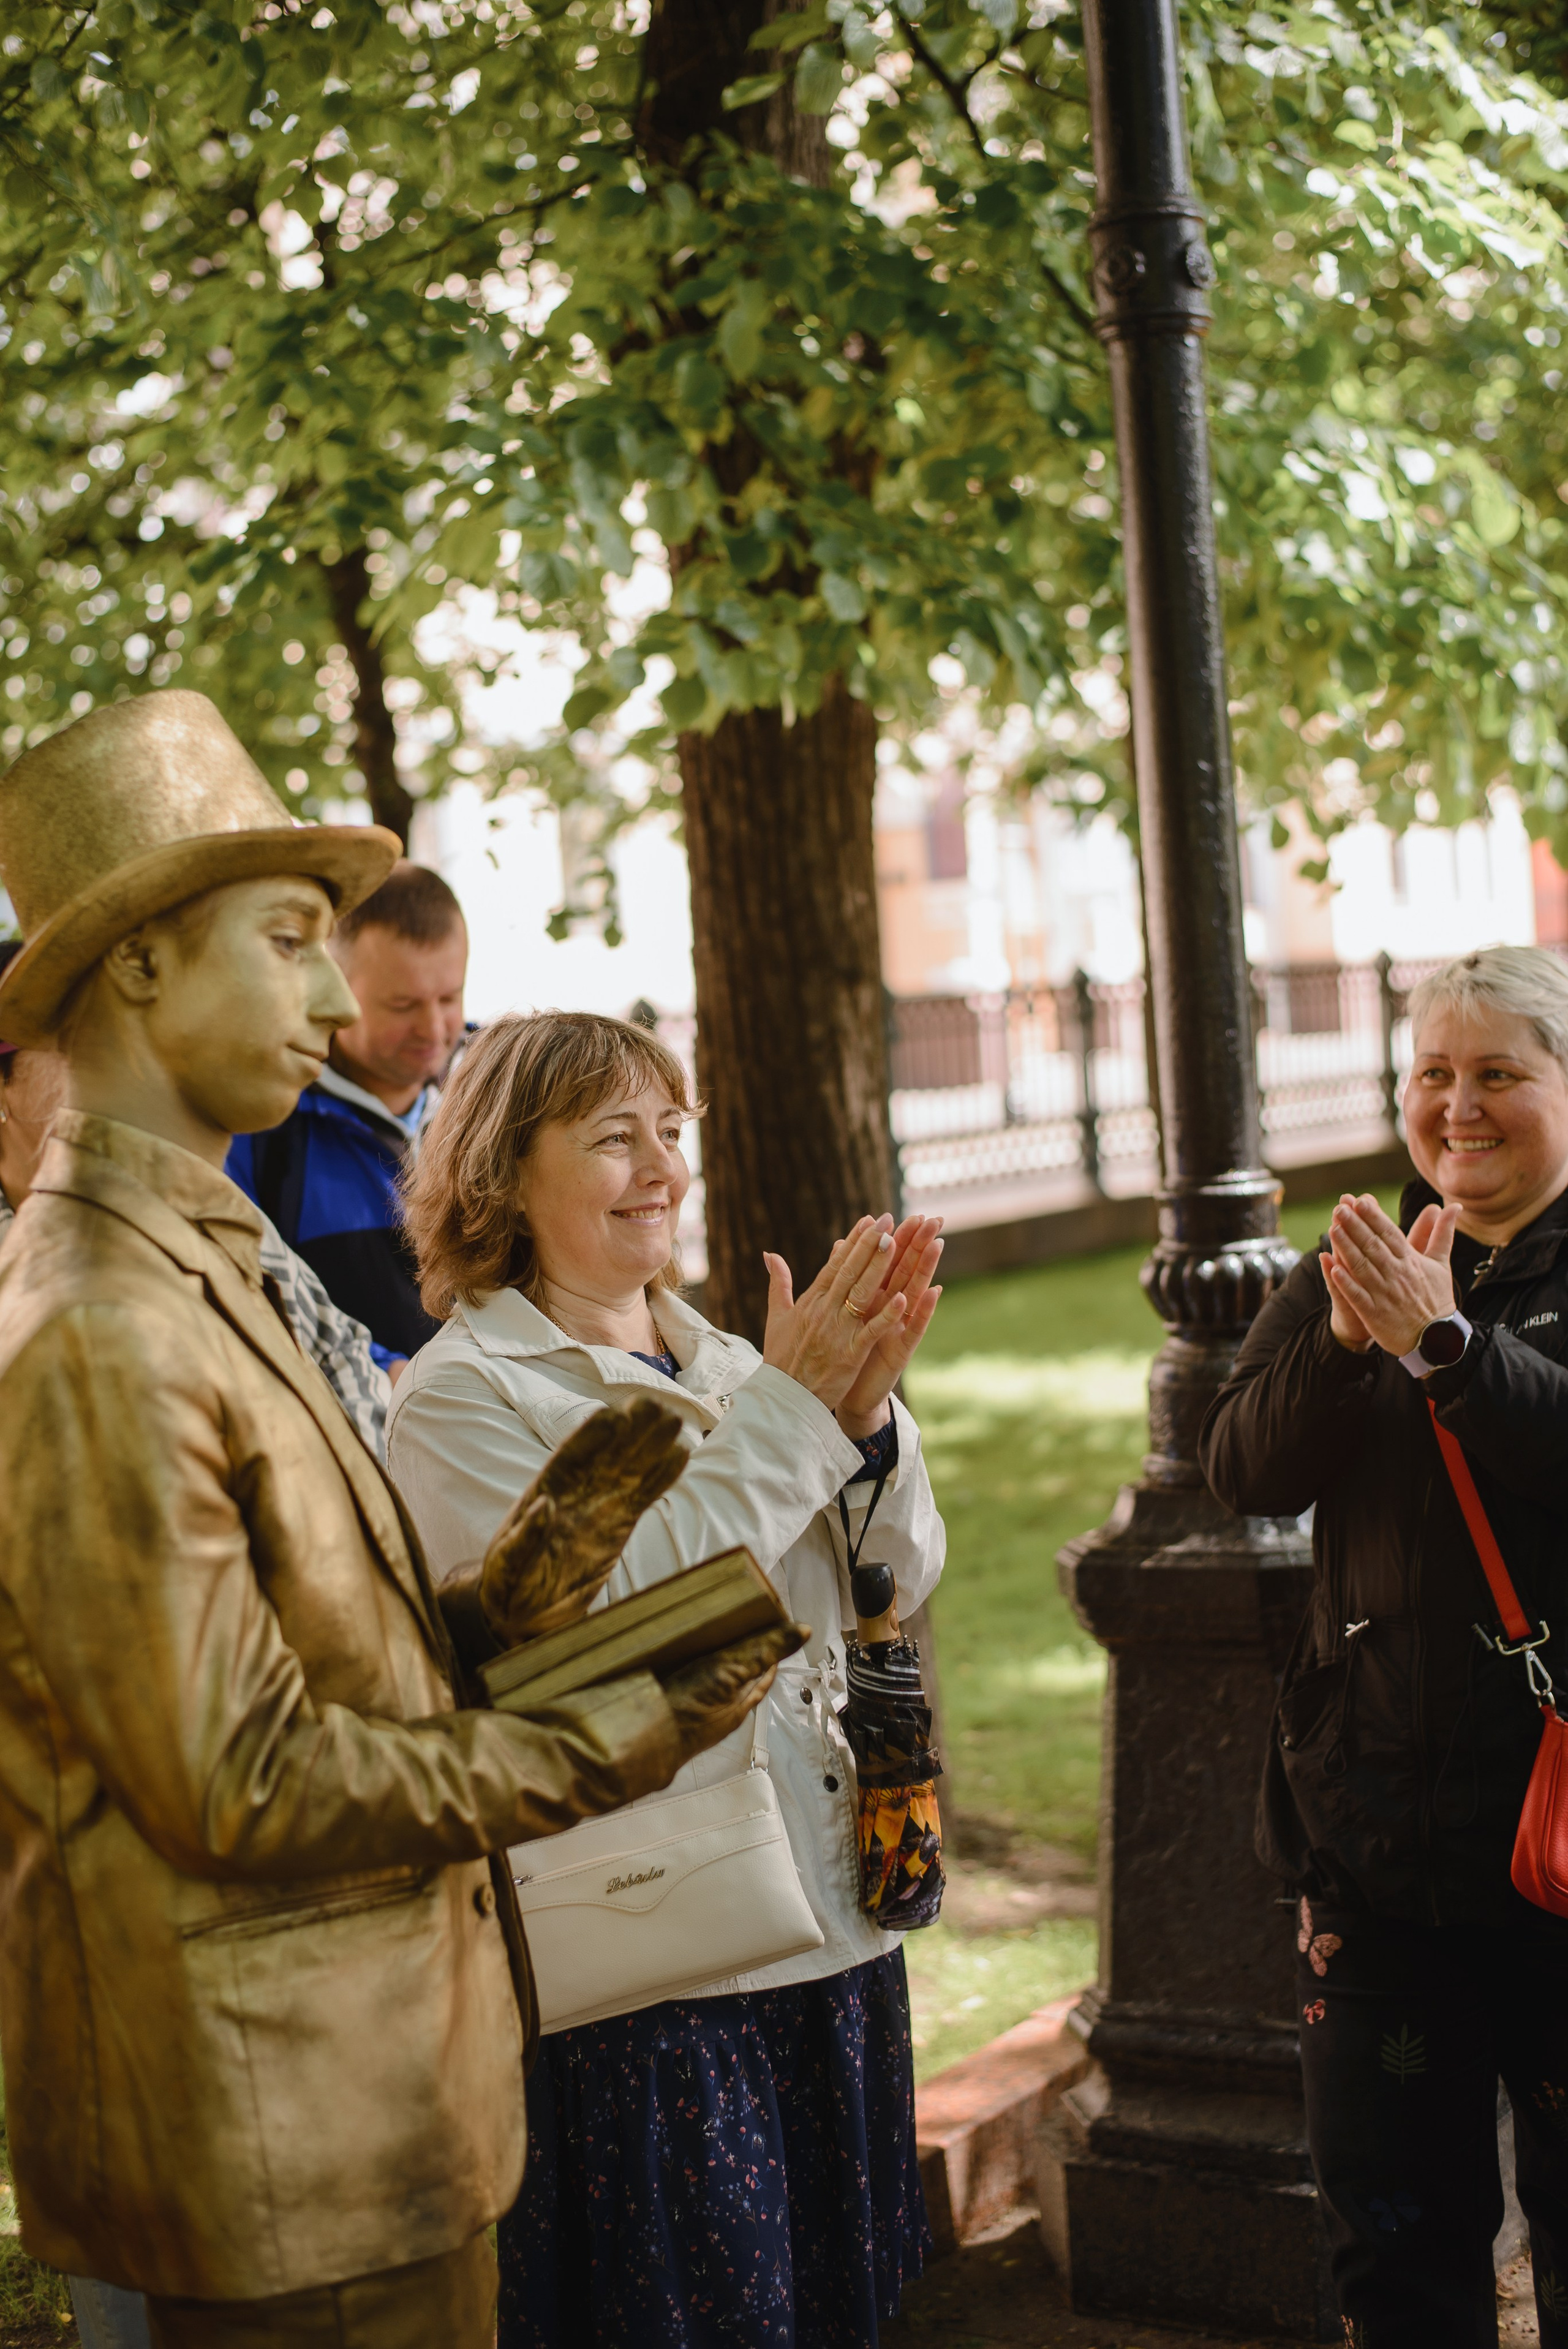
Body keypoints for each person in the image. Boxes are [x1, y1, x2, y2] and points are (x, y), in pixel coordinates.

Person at [0, 691, 796, 2349]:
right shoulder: (101, 1324)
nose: (331, 1000)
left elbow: (308, 1642)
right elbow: (241, 1776)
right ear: (136, 963)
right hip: (277, 2135)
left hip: (364, 2094)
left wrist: (515, 1592)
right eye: (290, 940)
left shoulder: (197, 1259)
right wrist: (608, 1738)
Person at [388, 1009, 948, 2349]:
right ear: (502, 1176)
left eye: (670, 1131)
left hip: (831, 1916)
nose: (660, 1169)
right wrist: (798, 1414)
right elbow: (615, 1625)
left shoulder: (735, 1362)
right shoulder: (462, 1399)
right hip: (660, 1954)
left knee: (842, 2306)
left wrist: (865, 1427)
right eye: (612, 1139)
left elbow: (896, 1571)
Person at [1199, 943, 1568, 2349]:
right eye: (1431, 1072)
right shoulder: (1355, 1260)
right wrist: (1348, 1339)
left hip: (1551, 1843)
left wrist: (1449, 1345)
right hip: (1370, 1845)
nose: (1455, 1106)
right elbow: (1239, 1468)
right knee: (1392, 2241)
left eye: (1496, 1073)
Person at [227, 858, 469, 1372]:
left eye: (450, 997)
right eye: (403, 1005)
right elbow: (241, 1299)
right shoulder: (260, 1123)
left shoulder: (500, 1093)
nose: (434, 1028)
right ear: (334, 990)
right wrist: (390, 1376)